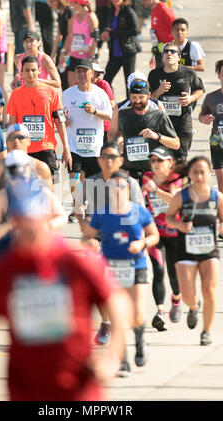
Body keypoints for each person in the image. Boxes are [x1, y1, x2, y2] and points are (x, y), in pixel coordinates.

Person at [0, 178, 129, 400]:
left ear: (46, 217)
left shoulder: (76, 261)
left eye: (33, 218)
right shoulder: (4, 268)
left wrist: (112, 355)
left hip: (77, 385)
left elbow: (117, 301)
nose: (27, 225)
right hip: (24, 386)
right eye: (20, 218)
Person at [81, 170, 159, 374]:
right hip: (110, 268)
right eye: (112, 187)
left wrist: (142, 243)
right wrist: (91, 244)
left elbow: (154, 235)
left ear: (127, 188)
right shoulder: (101, 213)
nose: (117, 190)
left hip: (136, 265)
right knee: (117, 316)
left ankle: (141, 341)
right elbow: (87, 236)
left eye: (121, 186)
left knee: (136, 315)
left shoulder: (140, 211)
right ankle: (123, 360)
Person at [74, 142, 144, 345]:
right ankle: (106, 322)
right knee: (100, 288)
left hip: (124, 241)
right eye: (105, 157)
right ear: (99, 160)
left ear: (121, 160)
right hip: (97, 239)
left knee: (125, 294)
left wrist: (136, 241)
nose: (109, 161)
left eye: (113, 157)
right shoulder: (90, 183)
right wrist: (83, 223)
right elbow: (78, 207)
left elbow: (140, 214)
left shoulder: (131, 183)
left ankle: (130, 329)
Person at [166, 156, 223, 346]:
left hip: (209, 250)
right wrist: (179, 225)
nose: (199, 175)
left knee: (209, 289)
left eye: (203, 171)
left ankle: (206, 331)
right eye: (195, 172)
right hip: (185, 250)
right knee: (186, 294)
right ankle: (194, 306)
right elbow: (169, 217)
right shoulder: (181, 196)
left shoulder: (217, 197)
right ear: (190, 174)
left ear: (209, 173)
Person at [0, 149, 67, 247]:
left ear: (29, 170)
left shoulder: (42, 192)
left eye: (22, 174)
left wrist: (45, 226)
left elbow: (62, 217)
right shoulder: (3, 197)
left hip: (38, 248)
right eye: (14, 174)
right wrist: (9, 225)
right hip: (11, 249)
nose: (18, 179)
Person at [62, 58, 112, 218]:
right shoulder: (67, 94)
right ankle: (77, 206)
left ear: (92, 73)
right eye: (79, 71)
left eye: (85, 71)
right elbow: (60, 116)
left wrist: (96, 111)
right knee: (73, 177)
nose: (82, 74)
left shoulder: (99, 93)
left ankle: (91, 207)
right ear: (75, 73)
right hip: (74, 144)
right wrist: (65, 120)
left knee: (93, 180)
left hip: (94, 146)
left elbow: (110, 116)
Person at [142, 146, 185, 331]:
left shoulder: (176, 178)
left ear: (169, 163)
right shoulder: (147, 176)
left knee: (173, 274)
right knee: (158, 270)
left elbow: (174, 200)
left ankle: (176, 298)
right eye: (153, 161)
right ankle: (159, 312)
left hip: (174, 232)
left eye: (159, 160)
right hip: (156, 232)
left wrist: (156, 191)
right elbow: (142, 197)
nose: (155, 164)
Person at [7, 55, 72, 176]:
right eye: (27, 70)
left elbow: (60, 121)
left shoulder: (52, 92)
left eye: (33, 70)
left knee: (49, 188)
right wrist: (10, 149)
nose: (31, 74)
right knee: (24, 190)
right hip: (23, 148)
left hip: (46, 148)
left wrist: (66, 148)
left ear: (39, 71)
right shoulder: (16, 95)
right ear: (21, 72)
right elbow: (12, 124)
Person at [148, 42, 205, 162]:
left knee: (181, 160)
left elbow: (200, 89)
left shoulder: (188, 73)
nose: (169, 53)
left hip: (182, 122)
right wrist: (159, 91)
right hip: (161, 123)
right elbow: (149, 100)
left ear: (179, 57)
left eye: (173, 51)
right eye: (166, 51)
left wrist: (190, 98)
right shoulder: (154, 75)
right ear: (162, 57)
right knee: (162, 159)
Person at [116, 78, 180, 184]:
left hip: (153, 172)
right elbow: (116, 135)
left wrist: (157, 136)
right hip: (128, 171)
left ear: (149, 95)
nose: (137, 101)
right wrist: (118, 141)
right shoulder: (123, 114)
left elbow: (176, 144)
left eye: (141, 97)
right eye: (133, 97)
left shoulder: (159, 115)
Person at [199, 58, 223, 242]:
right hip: (219, 147)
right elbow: (202, 114)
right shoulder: (211, 97)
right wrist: (204, 119)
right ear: (219, 75)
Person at [0, 123, 53, 209]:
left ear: (29, 141)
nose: (16, 141)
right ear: (7, 143)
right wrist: (5, 210)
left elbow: (51, 201)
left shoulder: (40, 168)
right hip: (7, 220)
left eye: (20, 137)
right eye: (12, 138)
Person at [100, 0, 141, 97]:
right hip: (115, 52)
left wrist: (113, 33)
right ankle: (112, 104)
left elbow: (135, 30)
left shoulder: (128, 11)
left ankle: (130, 106)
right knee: (106, 79)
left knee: (129, 81)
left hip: (128, 51)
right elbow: (112, 28)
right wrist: (106, 33)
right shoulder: (111, 12)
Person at [59, 0, 99, 87]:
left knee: (86, 85)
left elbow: (95, 38)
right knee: (72, 85)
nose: (70, 5)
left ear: (79, 3)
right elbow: (70, 36)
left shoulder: (91, 17)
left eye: (72, 3)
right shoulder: (74, 17)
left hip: (86, 57)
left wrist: (91, 57)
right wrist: (64, 52)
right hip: (74, 55)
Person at [140, 0, 176, 69]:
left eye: (143, 0)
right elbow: (155, 36)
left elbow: (176, 28)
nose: (142, 2)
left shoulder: (163, 8)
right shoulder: (154, 9)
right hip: (160, 51)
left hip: (168, 51)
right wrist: (154, 55)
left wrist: (172, 50)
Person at [49, 0, 74, 91]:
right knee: (63, 79)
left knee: (69, 81)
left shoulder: (69, 11)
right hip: (64, 48)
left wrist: (64, 53)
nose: (50, 4)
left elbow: (71, 34)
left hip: (71, 49)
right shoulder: (60, 13)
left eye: (52, 1)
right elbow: (58, 35)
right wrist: (53, 54)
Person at [9, 0, 36, 76]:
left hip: (18, 24)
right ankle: (20, 79)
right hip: (24, 25)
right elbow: (26, 8)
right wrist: (31, 25)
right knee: (24, 55)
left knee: (19, 54)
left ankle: (18, 78)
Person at [91, 62, 116, 143]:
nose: (83, 74)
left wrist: (95, 108)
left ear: (96, 73)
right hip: (85, 125)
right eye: (81, 71)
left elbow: (112, 104)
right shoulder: (78, 84)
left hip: (102, 124)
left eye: (86, 71)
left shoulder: (103, 84)